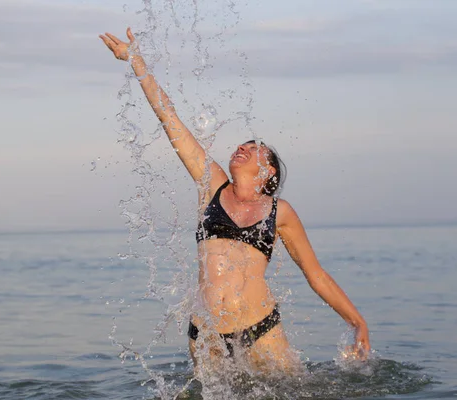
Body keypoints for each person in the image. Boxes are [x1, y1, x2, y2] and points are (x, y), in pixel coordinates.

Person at [99, 28, 370, 371]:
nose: (241, 147)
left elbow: (315, 274)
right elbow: (170, 119)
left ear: (269, 171)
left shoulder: (279, 212)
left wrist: (357, 321)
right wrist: (136, 61)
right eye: (240, 145)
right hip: (206, 336)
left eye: (254, 148)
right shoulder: (211, 185)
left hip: (262, 331)